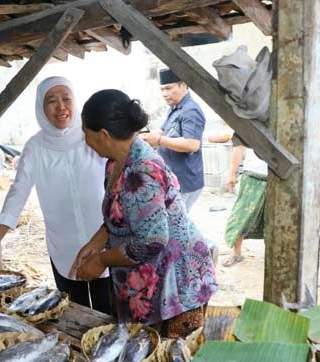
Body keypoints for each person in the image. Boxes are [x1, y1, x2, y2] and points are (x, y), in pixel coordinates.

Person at [71, 89, 217, 338]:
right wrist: (96, 243)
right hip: (148, 278)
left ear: (104, 135)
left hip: (175, 282)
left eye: (86, 134)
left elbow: (152, 241)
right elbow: (120, 215)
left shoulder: (142, 171)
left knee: (168, 360)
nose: (85, 141)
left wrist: (101, 260)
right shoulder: (115, 163)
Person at [0, 76, 113, 315]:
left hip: (103, 242)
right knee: (75, 315)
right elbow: (17, 194)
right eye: (52, 101)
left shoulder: (92, 138)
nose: (61, 107)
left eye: (66, 99)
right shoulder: (35, 148)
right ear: (41, 107)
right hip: (64, 248)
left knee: (110, 313)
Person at [141, 69, 206, 212]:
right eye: (162, 89)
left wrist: (158, 140)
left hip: (185, 181)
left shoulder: (190, 110)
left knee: (176, 226)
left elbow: (192, 144)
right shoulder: (175, 108)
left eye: (169, 88)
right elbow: (162, 131)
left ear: (183, 85)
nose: (164, 94)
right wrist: (144, 137)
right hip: (174, 179)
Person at [222, 138, 268, 267]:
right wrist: (232, 174)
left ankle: (273, 256)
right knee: (240, 217)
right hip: (252, 176)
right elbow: (239, 147)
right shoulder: (248, 121)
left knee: (274, 221)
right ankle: (236, 254)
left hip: (278, 177)